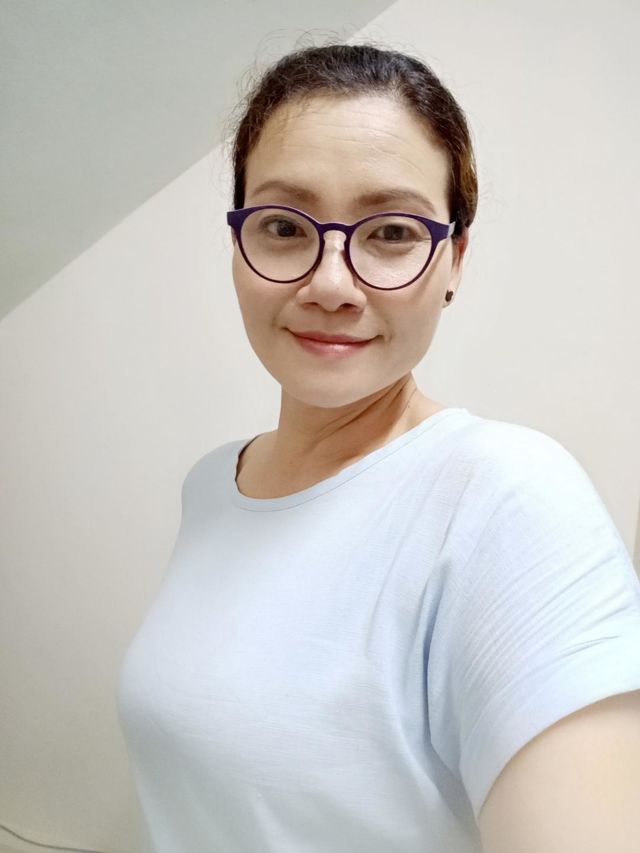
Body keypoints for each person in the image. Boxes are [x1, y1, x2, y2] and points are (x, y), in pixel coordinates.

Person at [116, 42, 640, 852]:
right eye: (284, 226)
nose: (330, 283)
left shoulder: (508, 499)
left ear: (453, 260)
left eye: (392, 231)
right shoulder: (214, 484)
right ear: (237, 243)